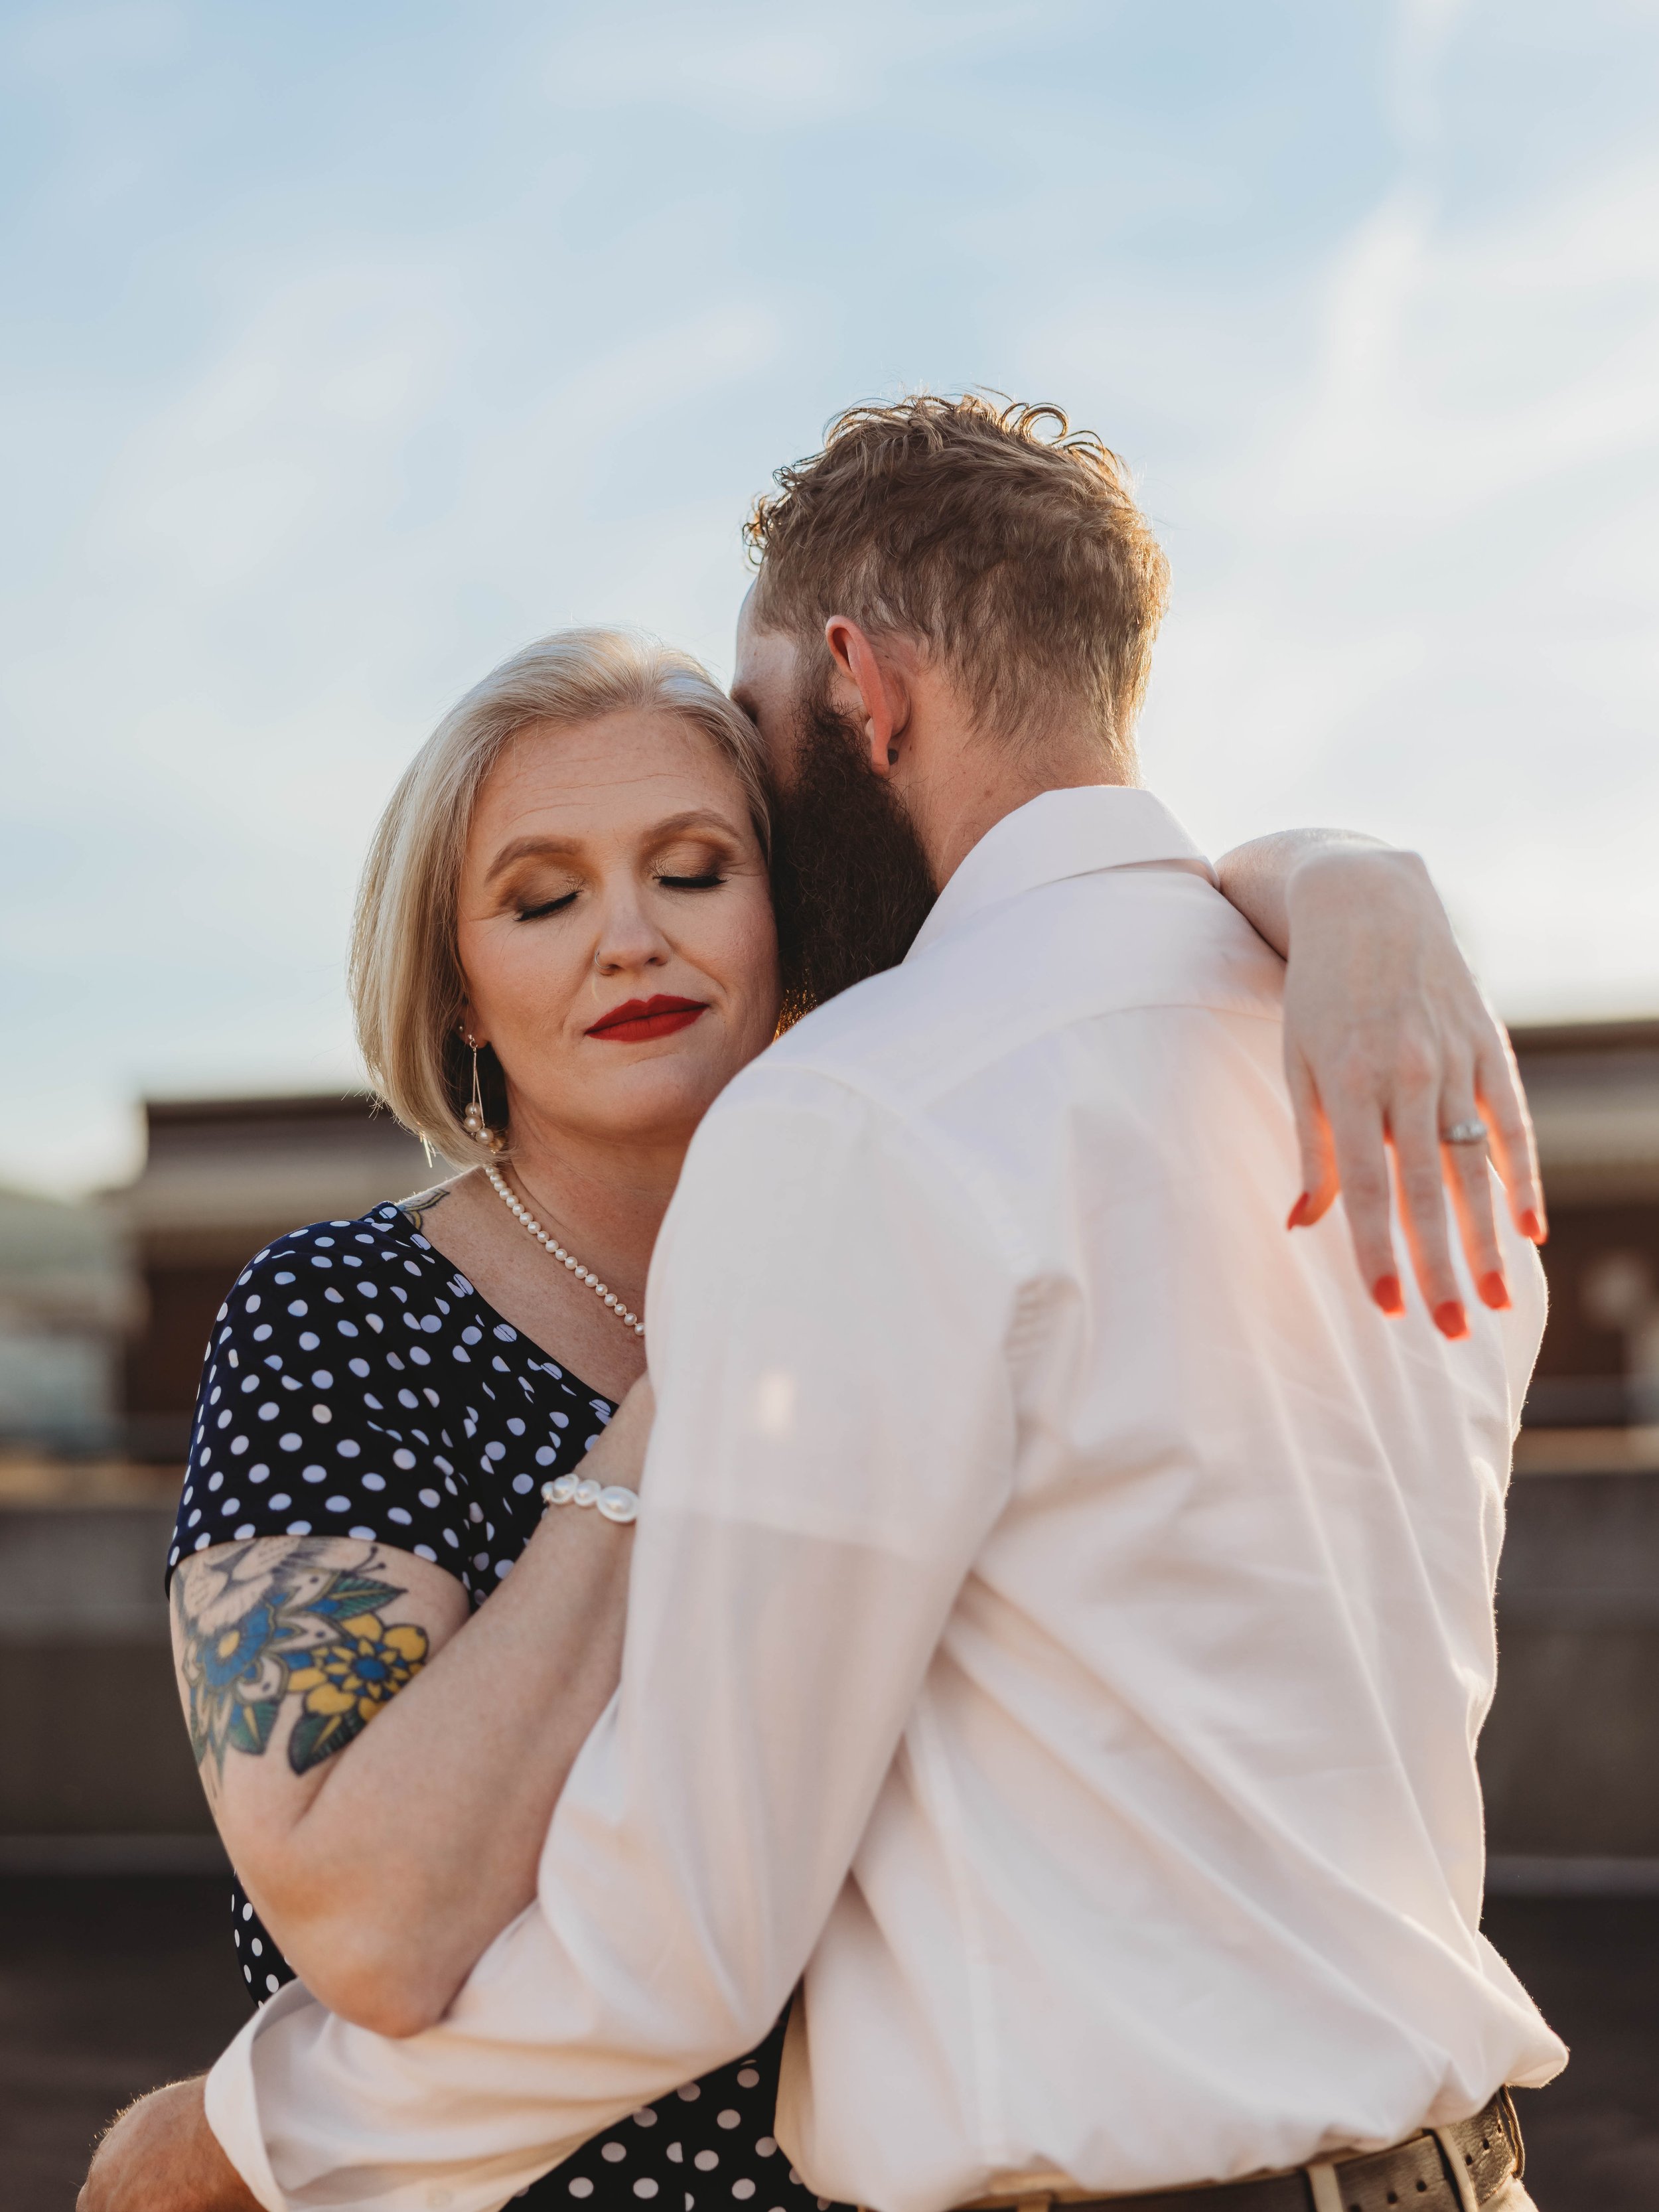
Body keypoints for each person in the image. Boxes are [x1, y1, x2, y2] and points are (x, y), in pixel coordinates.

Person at [83, 398, 1554, 2212]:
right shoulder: (1375, 1077)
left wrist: (237, 2147)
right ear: (448, 976)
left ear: (858, 695)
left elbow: (686, 1923)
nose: (634, 937)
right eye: (541, 898)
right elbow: (380, 1916)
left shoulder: (882, 1118)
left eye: (708, 853)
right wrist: (1347, 874)